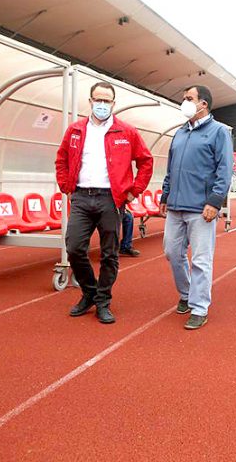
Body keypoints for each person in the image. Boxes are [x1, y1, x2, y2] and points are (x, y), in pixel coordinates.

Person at [55, 81, 153, 324]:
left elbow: (146, 162)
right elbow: (61, 159)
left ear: (113, 103)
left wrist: (134, 192)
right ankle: (89, 292)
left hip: (111, 199)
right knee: (74, 247)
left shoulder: (126, 132)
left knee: (109, 254)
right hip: (81, 196)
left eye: (106, 101)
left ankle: (103, 301)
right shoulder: (75, 130)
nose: (101, 104)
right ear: (90, 102)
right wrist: (66, 187)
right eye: (97, 100)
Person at [159, 85, 233, 330]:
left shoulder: (218, 132)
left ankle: (199, 307)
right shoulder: (180, 133)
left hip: (201, 208)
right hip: (175, 206)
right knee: (172, 252)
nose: (185, 102)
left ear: (203, 104)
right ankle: (186, 292)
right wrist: (165, 195)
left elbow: (224, 170)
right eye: (184, 98)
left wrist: (215, 201)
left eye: (189, 98)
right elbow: (171, 169)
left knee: (201, 259)